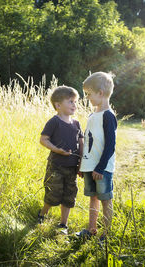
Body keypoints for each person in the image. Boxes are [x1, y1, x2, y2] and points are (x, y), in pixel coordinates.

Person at [76, 72, 117, 241]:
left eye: (89, 94)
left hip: (102, 168)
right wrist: (82, 165)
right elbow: (88, 140)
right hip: (89, 166)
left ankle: (106, 235)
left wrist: (100, 167)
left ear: (100, 93)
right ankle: (91, 229)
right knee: (92, 197)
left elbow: (110, 145)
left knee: (105, 199)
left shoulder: (108, 115)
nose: (87, 97)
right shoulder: (92, 115)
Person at [38, 86, 84, 234]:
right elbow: (43, 140)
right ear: (58, 105)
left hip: (72, 167)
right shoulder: (54, 122)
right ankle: (42, 214)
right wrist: (57, 149)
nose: (74, 105)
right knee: (53, 193)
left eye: (75, 102)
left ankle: (63, 224)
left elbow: (81, 143)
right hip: (56, 166)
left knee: (69, 195)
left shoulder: (76, 123)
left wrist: (81, 162)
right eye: (70, 102)